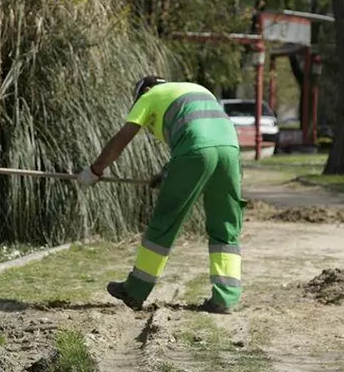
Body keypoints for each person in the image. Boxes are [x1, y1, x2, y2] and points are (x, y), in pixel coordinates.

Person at [77, 76, 245, 314]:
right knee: (225, 225)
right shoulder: (196, 90)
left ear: (146, 89)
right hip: (230, 151)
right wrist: (168, 171)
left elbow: (123, 137)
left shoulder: (149, 95)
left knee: (165, 222)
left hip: (195, 151)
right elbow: (205, 133)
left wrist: (95, 170)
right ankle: (225, 298)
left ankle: (135, 290)